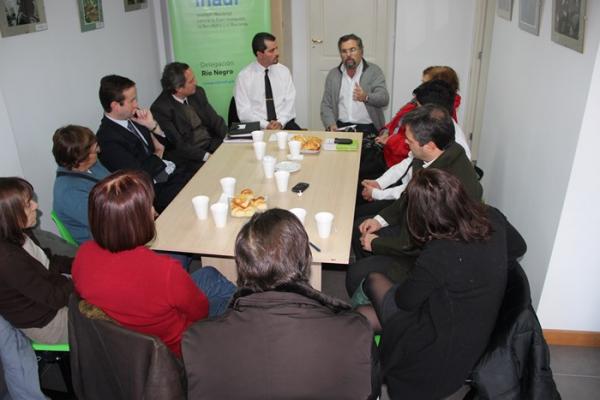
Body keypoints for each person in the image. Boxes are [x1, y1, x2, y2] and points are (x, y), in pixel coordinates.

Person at [356, 168, 527, 399]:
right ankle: (364, 362)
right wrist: (482, 270)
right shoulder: (491, 216)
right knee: (364, 313)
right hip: (472, 327)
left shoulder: (440, 252)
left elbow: (405, 301)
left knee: (372, 282)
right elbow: (518, 248)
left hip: (438, 348)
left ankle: (361, 371)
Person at [182, 209, 378, 399]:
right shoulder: (356, 334)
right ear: (306, 261)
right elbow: (372, 391)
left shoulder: (196, 341)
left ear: (241, 267)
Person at [72, 170, 236, 357]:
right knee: (232, 293)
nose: (154, 211)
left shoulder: (83, 254)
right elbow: (200, 312)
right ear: (136, 221)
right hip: (176, 346)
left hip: (129, 344)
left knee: (209, 274)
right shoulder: (164, 270)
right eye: (148, 207)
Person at [346, 104, 482, 296]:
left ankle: (384, 300)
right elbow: (407, 196)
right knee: (360, 227)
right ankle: (374, 290)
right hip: (415, 227)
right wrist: (379, 220)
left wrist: (377, 244)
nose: (406, 143)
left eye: (409, 140)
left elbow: (418, 242)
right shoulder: (433, 154)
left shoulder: (444, 186)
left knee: (355, 274)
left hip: (428, 254)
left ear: (430, 145)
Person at [359, 79, 471, 206]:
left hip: (424, 204)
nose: (414, 108)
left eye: (417, 105)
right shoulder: (433, 128)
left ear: (431, 110)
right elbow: (408, 161)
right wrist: (380, 183)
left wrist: (377, 194)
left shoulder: (450, 145)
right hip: (408, 191)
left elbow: (417, 189)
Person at [96, 74, 193, 213]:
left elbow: (171, 146)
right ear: (115, 106)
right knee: (194, 193)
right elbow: (138, 176)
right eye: (132, 100)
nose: (136, 104)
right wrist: (158, 153)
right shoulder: (107, 138)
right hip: (153, 192)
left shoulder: (136, 117)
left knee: (203, 178)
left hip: (170, 174)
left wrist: (153, 126)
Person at [0, 177, 73, 344]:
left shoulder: (19, 233)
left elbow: (49, 261)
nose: (35, 205)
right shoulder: (7, 260)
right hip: (48, 322)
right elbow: (53, 298)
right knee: (115, 318)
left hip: (56, 295)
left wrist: (80, 262)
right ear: (8, 214)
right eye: (27, 204)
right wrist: (81, 276)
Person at [375, 66, 462, 170]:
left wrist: (390, 140)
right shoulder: (419, 101)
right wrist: (386, 130)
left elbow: (416, 144)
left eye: (425, 82)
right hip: (392, 157)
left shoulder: (438, 117)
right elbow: (398, 120)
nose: (422, 86)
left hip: (401, 162)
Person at [151, 62, 227, 172]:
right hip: (190, 156)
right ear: (179, 88)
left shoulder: (198, 92)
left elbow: (215, 120)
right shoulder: (161, 108)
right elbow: (179, 144)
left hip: (210, 142)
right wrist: (207, 156)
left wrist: (228, 138)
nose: (195, 82)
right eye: (191, 81)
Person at [320, 33, 389, 136]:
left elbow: (384, 99)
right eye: (344, 51)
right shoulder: (333, 75)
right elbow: (326, 105)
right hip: (340, 127)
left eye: (352, 50)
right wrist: (330, 124)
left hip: (368, 128)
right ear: (340, 54)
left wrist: (366, 96)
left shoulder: (374, 71)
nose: (348, 55)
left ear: (361, 51)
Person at [52, 125, 110, 244]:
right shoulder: (69, 192)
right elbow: (107, 222)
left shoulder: (91, 164)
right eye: (95, 149)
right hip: (103, 241)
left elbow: (115, 183)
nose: (99, 150)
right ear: (81, 159)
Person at [234, 32, 301, 130]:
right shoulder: (244, 77)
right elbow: (244, 112)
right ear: (259, 54)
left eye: (276, 48)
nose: (277, 53)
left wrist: (280, 122)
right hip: (257, 127)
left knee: (303, 143)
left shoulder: (284, 71)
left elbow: (289, 102)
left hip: (284, 124)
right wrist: (266, 125)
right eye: (272, 51)